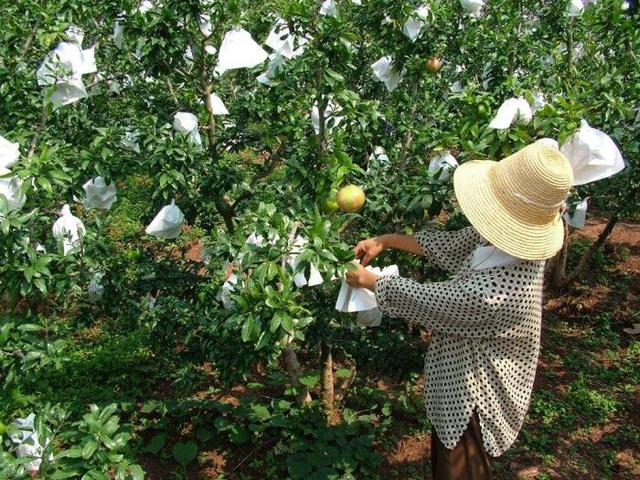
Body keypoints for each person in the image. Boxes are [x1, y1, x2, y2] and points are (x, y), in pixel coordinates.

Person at [345, 142, 573, 480]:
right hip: (459, 377)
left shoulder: (501, 292)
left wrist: (371, 282)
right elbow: (448, 245)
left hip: (475, 395)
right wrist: (386, 240)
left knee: (461, 468)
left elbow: (435, 301)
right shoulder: (499, 239)